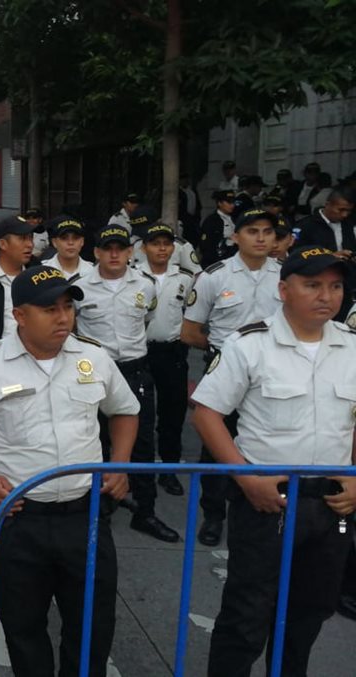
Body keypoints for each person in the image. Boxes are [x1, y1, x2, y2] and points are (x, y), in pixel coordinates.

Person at [0, 266, 138, 677]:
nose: (62, 318)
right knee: (24, 630)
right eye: (48, 310)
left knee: (92, 626)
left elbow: (125, 411)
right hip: (22, 519)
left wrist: (120, 464)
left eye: (67, 307)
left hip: (86, 516)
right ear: (20, 315)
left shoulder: (93, 356)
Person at [191, 246, 356, 677]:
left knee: (309, 614)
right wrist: (246, 478)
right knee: (248, 614)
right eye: (313, 285)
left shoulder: (352, 347)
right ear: (284, 290)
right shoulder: (250, 344)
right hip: (269, 500)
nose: (327, 296)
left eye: (336, 286)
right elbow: (207, 413)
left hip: (331, 504)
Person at [181, 208, 283, 546]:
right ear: (235, 236)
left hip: (272, 377)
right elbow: (190, 331)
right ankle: (213, 514)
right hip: (225, 372)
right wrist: (224, 356)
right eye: (252, 231)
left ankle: (267, 503)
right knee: (215, 446)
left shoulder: (285, 277)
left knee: (265, 442)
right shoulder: (214, 276)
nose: (261, 238)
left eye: (267, 232)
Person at [71, 226, 179, 542]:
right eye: (108, 248)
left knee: (143, 442)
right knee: (97, 440)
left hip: (135, 371)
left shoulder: (144, 286)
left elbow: (146, 320)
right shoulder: (81, 288)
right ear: (97, 253)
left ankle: (145, 511)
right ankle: (102, 508)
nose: (114, 254)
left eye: (120, 248)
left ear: (131, 252)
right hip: (95, 373)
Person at [134, 224, 194, 497]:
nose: (161, 248)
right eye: (155, 243)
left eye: (166, 244)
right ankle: (137, 472)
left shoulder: (186, 278)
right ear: (144, 247)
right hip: (140, 353)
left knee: (173, 412)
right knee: (138, 415)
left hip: (171, 352)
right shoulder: (132, 276)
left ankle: (169, 469)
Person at [199, 189, 238, 267]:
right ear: (219, 203)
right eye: (229, 202)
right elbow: (206, 245)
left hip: (234, 257)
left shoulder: (235, 219)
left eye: (233, 202)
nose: (232, 205)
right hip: (218, 259)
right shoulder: (212, 220)